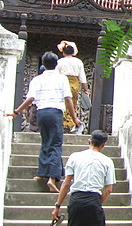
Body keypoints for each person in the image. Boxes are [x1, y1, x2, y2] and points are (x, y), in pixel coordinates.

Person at [7, 51, 81, 193]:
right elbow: (68, 100)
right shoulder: (62, 79)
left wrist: (17, 112)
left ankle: (42, 173)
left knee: (45, 141)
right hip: (55, 113)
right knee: (55, 143)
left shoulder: (37, 80)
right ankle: (52, 178)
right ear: (56, 64)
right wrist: (74, 117)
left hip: (42, 113)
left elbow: (30, 99)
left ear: (43, 64)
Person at [56, 40, 89, 134]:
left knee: (62, 104)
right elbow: (82, 77)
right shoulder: (78, 62)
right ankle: (70, 124)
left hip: (62, 83)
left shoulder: (59, 62)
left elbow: (56, 74)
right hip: (74, 84)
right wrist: (86, 90)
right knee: (73, 104)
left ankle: (63, 124)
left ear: (63, 52)